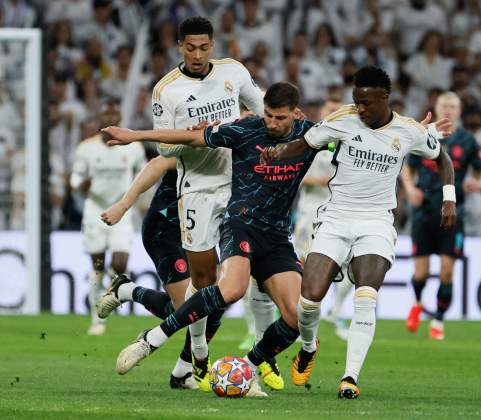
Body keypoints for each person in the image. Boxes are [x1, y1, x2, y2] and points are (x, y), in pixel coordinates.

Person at [102, 82, 316, 397]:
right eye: (268, 115)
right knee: (230, 289)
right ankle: (151, 340)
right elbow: (189, 137)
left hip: (276, 235)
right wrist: (137, 135)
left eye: (279, 118)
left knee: (297, 317)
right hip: (239, 224)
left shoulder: (312, 135)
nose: (271, 123)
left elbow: (355, 131)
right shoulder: (244, 130)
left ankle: (245, 367)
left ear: (295, 114)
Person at [260, 66, 456, 398]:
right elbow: (305, 143)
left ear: (385, 97)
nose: (360, 108)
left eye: (366, 102)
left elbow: (443, 159)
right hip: (336, 217)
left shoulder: (408, 131)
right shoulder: (344, 119)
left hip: (377, 221)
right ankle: (308, 347)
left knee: (366, 296)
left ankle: (350, 378)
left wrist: (449, 199)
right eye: (356, 101)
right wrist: (279, 152)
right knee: (309, 300)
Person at [148, 16, 279, 389]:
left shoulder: (233, 73)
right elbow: (163, 147)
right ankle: (198, 352)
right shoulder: (166, 90)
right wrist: (193, 138)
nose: (198, 54)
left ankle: (261, 358)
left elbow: (262, 110)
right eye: (190, 47)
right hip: (196, 189)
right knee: (203, 279)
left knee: (250, 270)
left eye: (204, 47)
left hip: (239, 185)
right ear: (179, 47)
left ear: (213, 45)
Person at [96, 156, 196, 389]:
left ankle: (126, 290)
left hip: (198, 230)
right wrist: (123, 205)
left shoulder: (243, 145)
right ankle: (182, 369)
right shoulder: (203, 139)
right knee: (189, 308)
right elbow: (158, 163)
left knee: (211, 302)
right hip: (166, 229)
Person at [401, 92, 481, 340]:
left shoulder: (467, 140)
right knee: (420, 272)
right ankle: (418, 302)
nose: (449, 110)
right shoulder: (424, 135)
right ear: (436, 107)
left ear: (460, 111)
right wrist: (410, 190)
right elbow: (406, 168)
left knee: (446, 270)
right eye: (444, 105)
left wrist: (479, 184)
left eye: (453, 106)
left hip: (453, 214)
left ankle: (438, 321)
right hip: (424, 212)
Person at [69, 99, 146, 336]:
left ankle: (110, 295)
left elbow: (142, 175)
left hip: (121, 210)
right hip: (95, 210)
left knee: (120, 263)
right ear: (100, 119)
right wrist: (83, 184)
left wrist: (140, 202)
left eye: (114, 114)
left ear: (120, 118)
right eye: (106, 115)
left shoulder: (133, 147)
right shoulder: (86, 148)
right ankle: (97, 318)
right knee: (98, 266)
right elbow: (74, 181)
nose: (110, 119)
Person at [293, 98, 352, 341]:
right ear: (322, 113)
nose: (335, 114)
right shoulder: (313, 139)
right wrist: (321, 181)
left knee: (349, 265)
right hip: (310, 211)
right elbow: (294, 174)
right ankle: (296, 319)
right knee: (305, 265)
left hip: (340, 212)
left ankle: (335, 311)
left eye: (339, 111)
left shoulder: (349, 143)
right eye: (330, 110)